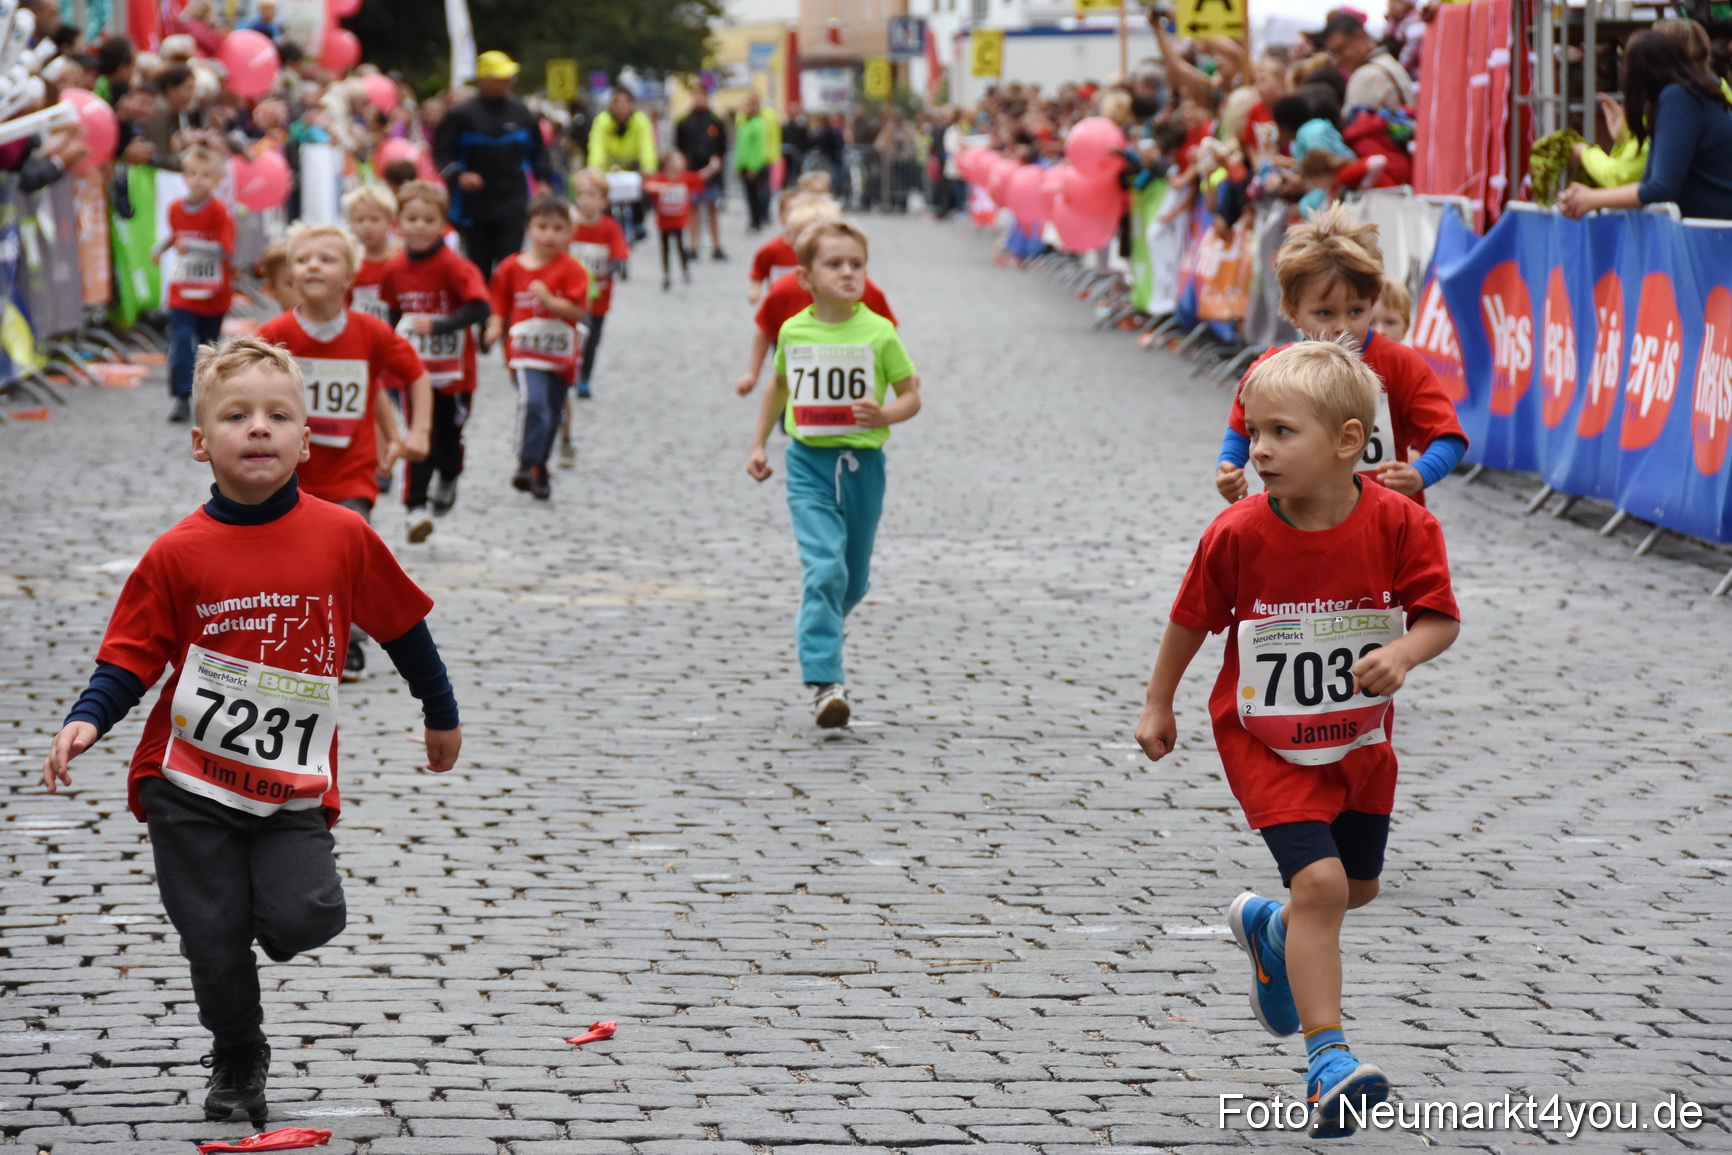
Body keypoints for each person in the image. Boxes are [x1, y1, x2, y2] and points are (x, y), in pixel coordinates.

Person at [41, 337, 462, 1127]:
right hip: (187, 782)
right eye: (236, 416)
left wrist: (440, 710)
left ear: (307, 440)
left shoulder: (341, 534)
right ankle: (237, 1051)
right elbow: (131, 656)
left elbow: (404, 627)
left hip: (287, 784)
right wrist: (86, 718)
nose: (258, 429)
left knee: (307, 915)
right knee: (212, 936)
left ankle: (262, 933)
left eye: (278, 415)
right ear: (202, 442)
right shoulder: (176, 553)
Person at [1134, 339, 1460, 1139]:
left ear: (1348, 441)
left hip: (1357, 745)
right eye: (1254, 432)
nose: (1259, 450)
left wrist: (1403, 653)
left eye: (1282, 433)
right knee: (1319, 884)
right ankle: (1329, 1062)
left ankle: (1270, 934)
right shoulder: (1237, 533)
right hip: (1265, 741)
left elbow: (1440, 617)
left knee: (1353, 889)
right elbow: (1190, 619)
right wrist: (1159, 702)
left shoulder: (1402, 524)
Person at [745, 221, 922, 729]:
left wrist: (886, 414)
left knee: (853, 578)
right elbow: (777, 387)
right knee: (824, 569)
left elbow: (912, 395)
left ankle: (818, 624)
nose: (848, 273)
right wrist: (758, 444)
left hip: (864, 466)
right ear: (805, 277)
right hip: (808, 462)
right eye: (834, 265)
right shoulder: (794, 330)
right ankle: (826, 681)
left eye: (856, 264)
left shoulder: (880, 332)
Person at [255, 224, 434, 679]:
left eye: (327, 259)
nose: (313, 265)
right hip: (289, 474)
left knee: (346, 557)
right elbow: (239, 386)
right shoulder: (273, 334)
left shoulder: (370, 332)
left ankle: (348, 642)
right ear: (291, 275)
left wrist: (418, 432)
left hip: (353, 472)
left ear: (350, 277)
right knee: (290, 562)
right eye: (303, 259)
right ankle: (290, 637)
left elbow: (414, 374)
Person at [1215, 206, 1466, 506]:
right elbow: (1241, 426)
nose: (1342, 327)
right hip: (1295, 525)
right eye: (1325, 313)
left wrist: (1419, 473)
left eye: (1356, 311)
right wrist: (1229, 467)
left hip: (1382, 523)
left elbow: (1448, 437)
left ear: (1373, 302)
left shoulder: (1401, 364)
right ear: (1293, 312)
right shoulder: (1271, 369)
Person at [380, 181, 491, 540]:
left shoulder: (454, 266)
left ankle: (450, 473)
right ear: (399, 222)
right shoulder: (394, 268)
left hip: (456, 375)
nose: (419, 226)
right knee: (417, 435)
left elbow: (480, 306)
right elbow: (393, 313)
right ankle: (414, 507)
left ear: (442, 222)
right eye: (411, 218)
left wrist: (440, 325)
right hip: (415, 373)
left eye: (429, 219)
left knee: (448, 439)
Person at [1557, 28, 1732, 222]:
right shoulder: (1685, 96)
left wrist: (1591, 199)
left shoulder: (1679, 98)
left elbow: (1660, 188)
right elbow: (1649, 182)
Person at [485, 195, 590, 501]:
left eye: (558, 228)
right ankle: (525, 461)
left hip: (558, 355)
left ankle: (539, 467)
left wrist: (549, 302)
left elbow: (578, 311)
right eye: (542, 227)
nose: (549, 235)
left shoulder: (572, 269)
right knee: (534, 402)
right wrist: (493, 327)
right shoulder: (511, 267)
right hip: (523, 354)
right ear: (528, 228)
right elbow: (499, 302)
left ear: (570, 233)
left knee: (553, 413)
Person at [432, 51, 554, 280]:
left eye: (511, 77)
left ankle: (507, 314)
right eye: (502, 78)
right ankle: (483, 313)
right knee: (479, 266)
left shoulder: (522, 112)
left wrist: (544, 180)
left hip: (513, 199)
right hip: (474, 204)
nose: (510, 82)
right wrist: (459, 176)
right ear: (485, 80)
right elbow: (440, 153)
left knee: (510, 262)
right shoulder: (461, 114)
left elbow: (539, 152)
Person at [155, 144, 235, 425]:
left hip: (213, 294)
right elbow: (176, 235)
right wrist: (161, 248)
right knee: (180, 340)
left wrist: (196, 246)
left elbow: (226, 250)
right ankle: (180, 398)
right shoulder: (175, 208)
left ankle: (210, 398)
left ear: (217, 180)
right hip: (183, 291)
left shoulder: (219, 212)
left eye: (204, 175)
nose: (197, 180)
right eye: (191, 173)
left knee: (209, 349)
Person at [566, 169, 629, 411]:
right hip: (572, 298)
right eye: (581, 194)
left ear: (604, 200)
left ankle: (585, 378)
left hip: (599, 299)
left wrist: (608, 269)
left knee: (592, 339)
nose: (586, 200)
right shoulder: (570, 224)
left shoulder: (609, 227)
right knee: (573, 334)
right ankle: (569, 369)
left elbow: (619, 254)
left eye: (592, 195)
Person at [587, 89, 659, 242]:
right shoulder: (602, 121)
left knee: (642, 191)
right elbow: (596, 148)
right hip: (608, 166)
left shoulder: (641, 121)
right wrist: (594, 169)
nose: (622, 107)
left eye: (626, 103)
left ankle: (639, 221)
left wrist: (648, 167)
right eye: (617, 103)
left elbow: (647, 146)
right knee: (602, 195)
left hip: (633, 165)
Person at [1319, 11, 1414, 113]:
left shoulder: (1367, 75)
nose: (1337, 60)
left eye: (1340, 49)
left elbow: (1351, 125)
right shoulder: (1389, 62)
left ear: (1360, 36)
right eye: (1333, 54)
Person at [675, 85, 729, 261]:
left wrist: (718, 161)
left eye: (701, 95)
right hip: (692, 171)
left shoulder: (715, 120)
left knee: (712, 208)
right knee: (693, 209)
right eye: (695, 95)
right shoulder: (684, 121)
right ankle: (692, 245)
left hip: (711, 172)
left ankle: (716, 245)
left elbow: (723, 145)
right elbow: (679, 146)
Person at [644, 150, 706, 291]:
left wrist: (712, 167)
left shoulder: (684, 178)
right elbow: (648, 185)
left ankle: (685, 270)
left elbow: (699, 177)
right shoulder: (661, 178)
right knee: (665, 249)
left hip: (678, 221)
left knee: (680, 246)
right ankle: (666, 274)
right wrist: (661, 188)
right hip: (664, 222)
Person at [343, 185, 399, 327]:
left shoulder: (401, 259)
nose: (367, 226)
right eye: (359, 220)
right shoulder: (350, 263)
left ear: (390, 222)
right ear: (350, 224)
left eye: (374, 219)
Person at [748, 191, 810, 305]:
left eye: (801, 212)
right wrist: (755, 289)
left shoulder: (814, 249)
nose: (797, 216)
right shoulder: (772, 248)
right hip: (780, 301)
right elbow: (759, 270)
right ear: (782, 217)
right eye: (791, 212)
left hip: (806, 302)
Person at [734, 92, 779, 232]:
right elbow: (740, 146)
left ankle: (760, 218)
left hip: (758, 163)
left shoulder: (760, 122)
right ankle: (754, 219)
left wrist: (754, 166)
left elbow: (758, 147)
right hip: (745, 163)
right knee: (750, 194)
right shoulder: (743, 122)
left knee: (761, 193)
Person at [1371, 278, 1411, 344]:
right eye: (1369, 324)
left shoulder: (1410, 354)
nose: (1379, 331)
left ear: (1405, 329)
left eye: (1390, 322)